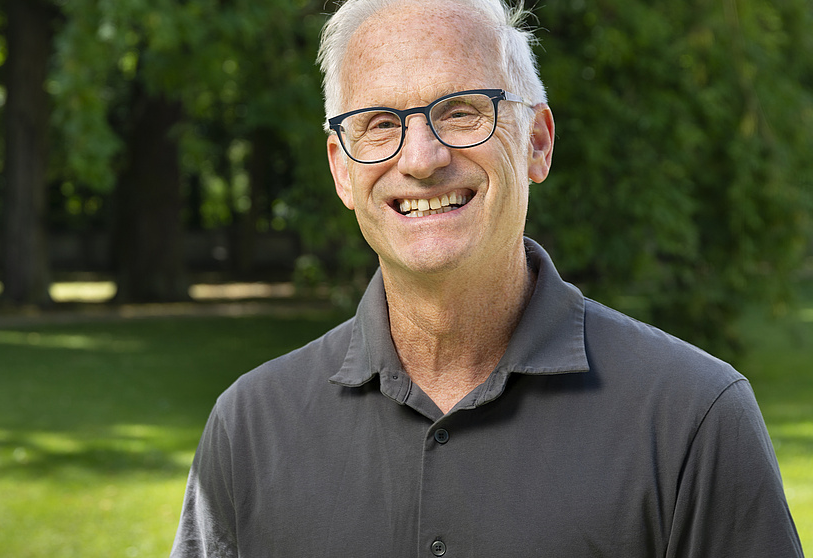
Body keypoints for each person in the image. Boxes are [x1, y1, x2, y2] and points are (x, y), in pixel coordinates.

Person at [171, 0, 805, 555]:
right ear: (341, 170)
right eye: (381, 123)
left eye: (461, 112)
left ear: (537, 142)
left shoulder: (693, 418)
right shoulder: (248, 430)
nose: (422, 159)